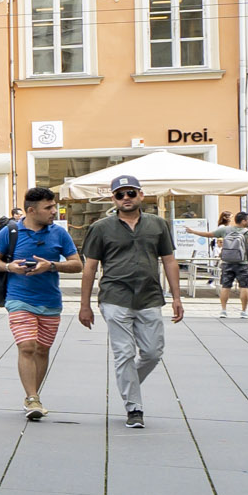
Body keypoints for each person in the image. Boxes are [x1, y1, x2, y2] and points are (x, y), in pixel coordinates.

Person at [76, 172, 182, 429]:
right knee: (123, 352)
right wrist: (84, 305)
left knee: (152, 353)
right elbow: (89, 267)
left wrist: (177, 297)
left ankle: (128, 383)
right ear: (113, 198)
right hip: (114, 296)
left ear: (141, 195)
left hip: (150, 296)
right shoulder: (100, 228)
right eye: (120, 194)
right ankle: (134, 407)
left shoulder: (158, 225)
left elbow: (169, 261)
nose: (126, 198)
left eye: (131, 193)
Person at [0, 184, 81, 422]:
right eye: (48, 207)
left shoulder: (59, 233)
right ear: (31, 210)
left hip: (50, 301)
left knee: (42, 349)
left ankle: (34, 395)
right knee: (27, 346)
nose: (54, 211)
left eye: (54, 206)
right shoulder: (10, 233)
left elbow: (77, 264)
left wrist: (51, 265)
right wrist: (10, 267)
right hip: (19, 298)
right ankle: (32, 398)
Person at [214, 210, 248, 319]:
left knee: (225, 286)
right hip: (243, 262)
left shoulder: (225, 230)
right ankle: (244, 311)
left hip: (227, 262)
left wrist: (193, 231)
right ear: (244, 221)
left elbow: (209, 234)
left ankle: (223, 310)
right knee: (244, 286)